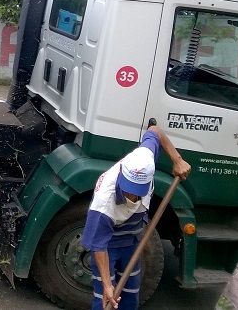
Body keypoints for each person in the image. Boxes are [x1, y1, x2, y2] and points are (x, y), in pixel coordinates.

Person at [81, 124, 191, 310]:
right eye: (128, 190)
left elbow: (154, 131)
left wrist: (177, 159)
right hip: (109, 246)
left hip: (132, 241)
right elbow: (98, 246)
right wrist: (108, 286)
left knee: (130, 298)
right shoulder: (104, 204)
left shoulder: (144, 158)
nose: (132, 196)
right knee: (105, 299)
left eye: (137, 192)